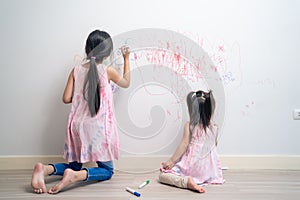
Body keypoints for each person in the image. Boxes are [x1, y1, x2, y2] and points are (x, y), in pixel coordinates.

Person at [31, 30, 130, 194]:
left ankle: (45, 169)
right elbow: (126, 83)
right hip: (98, 128)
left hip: (77, 126)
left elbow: (66, 98)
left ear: (87, 48)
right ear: (107, 52)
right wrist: (126, 59)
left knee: (74, 164)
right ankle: (75, 176)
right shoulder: (107, 71)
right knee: (107, 171)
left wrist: (81, 97)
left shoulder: (75, 70)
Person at [159, 90, 224, 193]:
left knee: (162, 176)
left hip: (192, 168)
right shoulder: (214, 128)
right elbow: (214, 146)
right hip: (209, 172)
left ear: (192, 110)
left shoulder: (190, 126)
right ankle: (200, 179)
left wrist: (171, 161)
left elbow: (184, 144)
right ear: (211, 110)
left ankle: (185, 181)